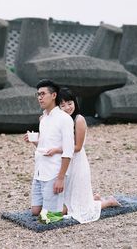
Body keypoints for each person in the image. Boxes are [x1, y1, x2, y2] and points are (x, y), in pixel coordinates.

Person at [45, 87, 120, 223]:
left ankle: (108, 202)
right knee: (63, 201)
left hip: (76, 163)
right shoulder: (60, 121)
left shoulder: (78, 120)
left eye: (70, 103)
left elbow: (78, 147)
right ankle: (93, 198)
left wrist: (57, 150)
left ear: (75, 103)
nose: (67, 107)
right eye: (62, 105)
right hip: (64, 163)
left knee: (79, 210)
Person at [24, 79, 75, 216]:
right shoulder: (43, 118)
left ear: (53, 95)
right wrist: (33, 141)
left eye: (43, 94)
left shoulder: (64, 119)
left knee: (49, 218)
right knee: (35, 212)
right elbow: (43, 145)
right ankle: (62, 204)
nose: (40, 97)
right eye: (38, 94)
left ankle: (76, 206)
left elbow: (69, 151)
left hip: (54, 172)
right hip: (40, 171)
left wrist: (60, 178)